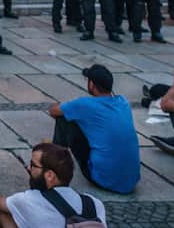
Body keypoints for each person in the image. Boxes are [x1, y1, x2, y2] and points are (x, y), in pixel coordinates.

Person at [48, 63, 139, 193]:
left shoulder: (85, 104)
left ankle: (53, 163)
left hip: (104, 179)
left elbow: (53, 111)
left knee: (65, 119)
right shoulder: (123, 101)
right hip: (131, 181)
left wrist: (70, 106)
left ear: (91, 84)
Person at [0, 142, 107, 228]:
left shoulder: (30, 200)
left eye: (33, 165)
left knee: (4, 212)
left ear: (50, 175)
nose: (28, 168)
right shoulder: (95, 203)